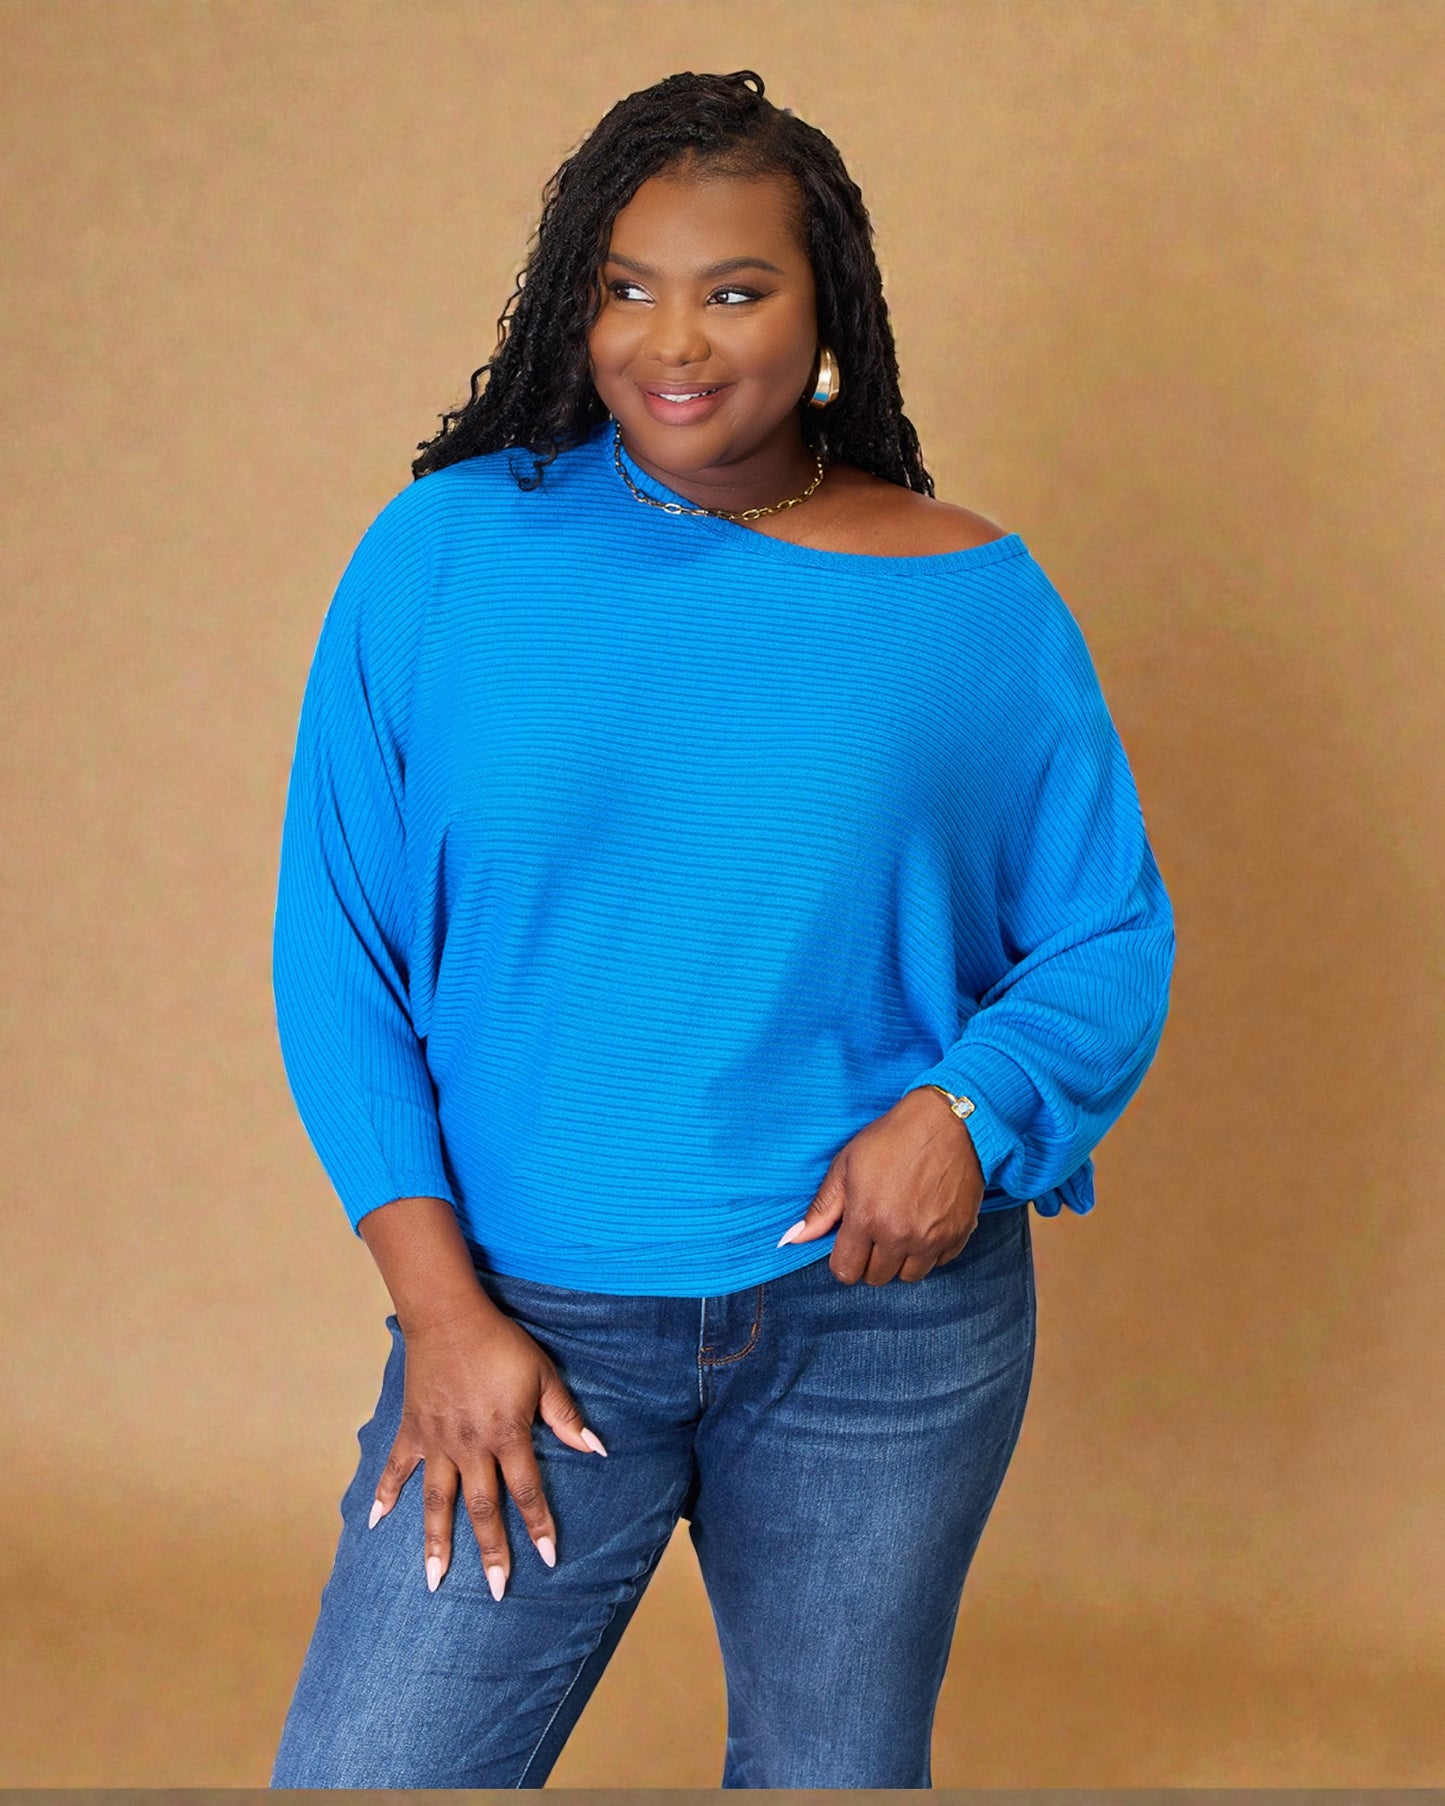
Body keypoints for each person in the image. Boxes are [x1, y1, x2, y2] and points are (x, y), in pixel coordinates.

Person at [267, 69, 1175, 1789]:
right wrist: (441, 1313)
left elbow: (1107, 931)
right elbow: (340, 956)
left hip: (877, 1326)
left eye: (735, 290)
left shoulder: (970, 597)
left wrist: (967, 1111)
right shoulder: (445, 554)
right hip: (526, 1320)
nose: (671, 341)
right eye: (627, 287)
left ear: (826, 320)